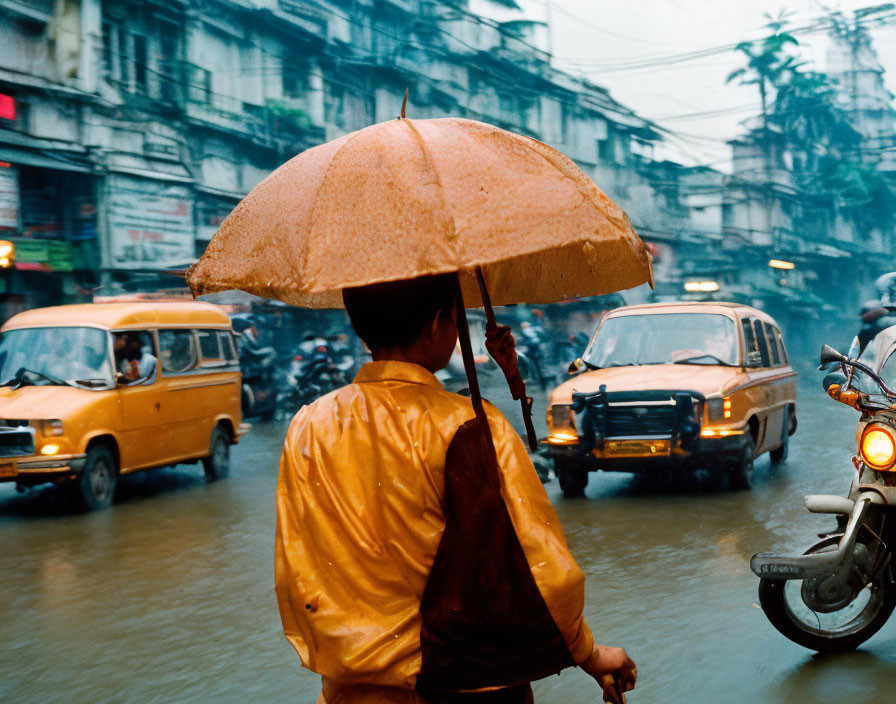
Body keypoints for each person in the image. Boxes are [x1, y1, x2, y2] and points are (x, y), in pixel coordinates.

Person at [275, 274, 636, 704]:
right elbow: (538, 566)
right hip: (462, 686)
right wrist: (587, 652)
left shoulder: (307, 425)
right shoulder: (469, 427)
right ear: (437, 326)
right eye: (455, 315)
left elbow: (294, 569)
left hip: (349, 692)